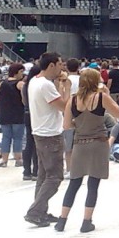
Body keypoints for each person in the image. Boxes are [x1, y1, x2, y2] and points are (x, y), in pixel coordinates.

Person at [55, 68, 119, 233]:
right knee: (93, 184)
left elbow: (66, 125)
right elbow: (118, 113)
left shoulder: (73, 99)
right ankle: (86, 221)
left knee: (74, 182)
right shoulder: (100, 97)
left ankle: (62, 220)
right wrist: (105, 91)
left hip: (80, 143)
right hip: (98, 143)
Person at [24, 52, 69, 227]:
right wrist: (64, 86)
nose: (61, 68)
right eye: (59, 64)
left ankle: (40, 210)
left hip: (39, 132)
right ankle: (35, 211)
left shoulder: (35, 81)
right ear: (51, 65)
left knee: (43, 175)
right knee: (55, 177)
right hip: (51, 134)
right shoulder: (45, 85)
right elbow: (63, 106)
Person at [0, 63, 26, 169]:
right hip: (17, 113)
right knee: (17, 138)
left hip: (4, 113)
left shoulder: (3, 83)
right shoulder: (20, 84)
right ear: (17, 72)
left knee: (6, 137)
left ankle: (4, 160)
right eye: (21, 72)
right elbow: (24, 97)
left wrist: (0, 101)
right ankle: (18, 158)